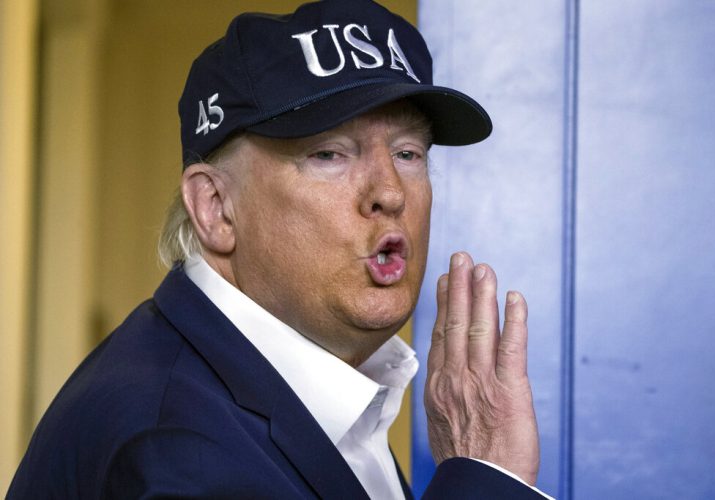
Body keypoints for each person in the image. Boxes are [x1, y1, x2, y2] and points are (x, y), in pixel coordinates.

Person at [8, 0, 550, 498]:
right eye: (329, 154)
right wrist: (486, 480)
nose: (389, 191)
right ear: (216, 208)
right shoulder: (178, 450)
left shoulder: (292, 387)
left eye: (408, 153)